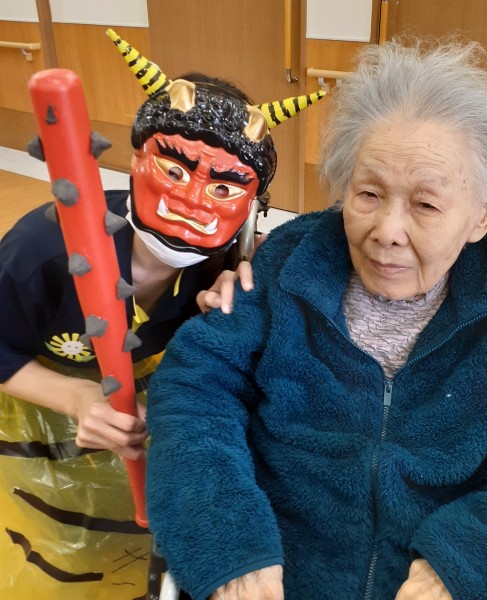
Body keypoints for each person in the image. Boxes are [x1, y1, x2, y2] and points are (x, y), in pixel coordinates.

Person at [145, 36, 487, 600]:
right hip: (283, 572)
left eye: (426, 205)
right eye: (368, 194)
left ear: (483, 215)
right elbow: (194, 391)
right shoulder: (288, 263)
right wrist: (229, 544)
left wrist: (470, 562)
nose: (387, 231)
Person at [0, 29, 322, 598]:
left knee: (138, 555)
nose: (194, 201)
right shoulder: (43, 251)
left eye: (224, 189)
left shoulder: (228, 264)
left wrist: (233, 303)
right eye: (174, 171)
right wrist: (76, 398)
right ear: (136, 159)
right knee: (52, 559)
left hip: (148, 446)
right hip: (40, 435)